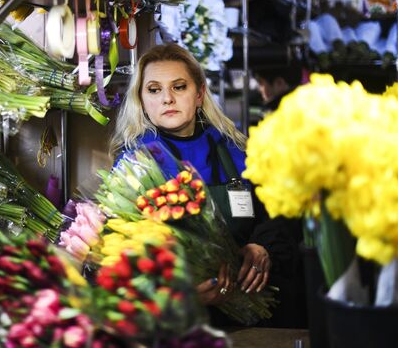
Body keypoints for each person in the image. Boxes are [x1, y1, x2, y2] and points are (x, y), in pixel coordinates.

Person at [110, 43, 302, 327]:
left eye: (179, 87)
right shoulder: (133, 166)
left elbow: (277, 215)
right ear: (141, 100)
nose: (167, 99)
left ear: (199, 94)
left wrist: (262, 247)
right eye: (154, 89)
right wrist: (176, 292)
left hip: (255, 313)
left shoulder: (235, 149)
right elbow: (121, 257)